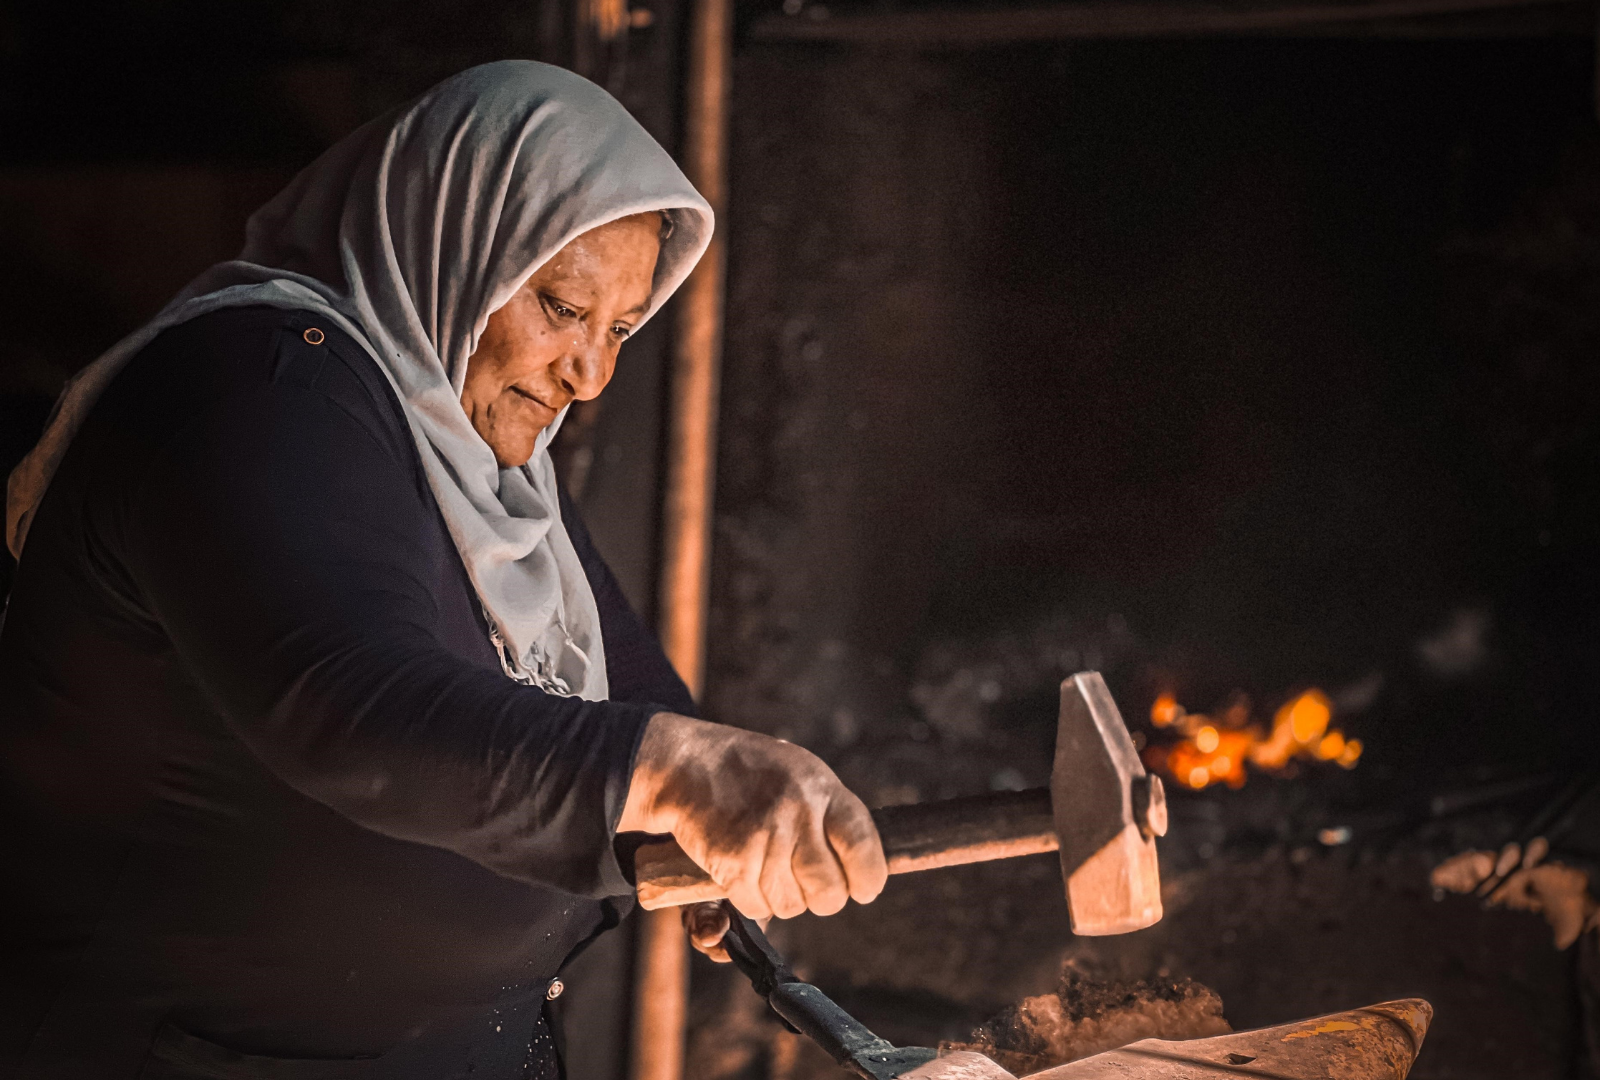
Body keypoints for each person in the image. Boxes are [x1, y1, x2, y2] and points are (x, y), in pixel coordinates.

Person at [0, 61, 885, 1078]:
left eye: (622, 329)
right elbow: (348, 701)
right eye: (560, 305)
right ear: (449, 237)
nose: (590, 374)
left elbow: (622, 688)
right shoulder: (259, 393)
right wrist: (676, 773)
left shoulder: (477, 458)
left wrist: (697, 814)